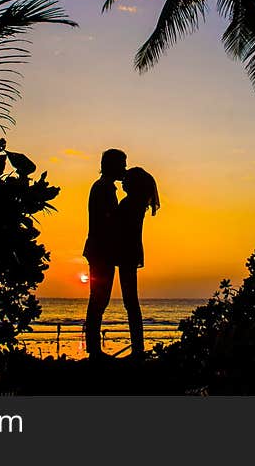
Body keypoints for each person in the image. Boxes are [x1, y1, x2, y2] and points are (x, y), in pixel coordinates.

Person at [83, 149, 127, 359]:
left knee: (99, 299)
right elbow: (107, 221)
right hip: (101, 251)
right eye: (122, 164)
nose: (125, 168)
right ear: (112, 165)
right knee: (98, 299)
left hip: (101, 250)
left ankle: (93, 349)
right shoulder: (103, 189)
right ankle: (93, 350)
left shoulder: (105, 187)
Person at [112, 166, 160, 359]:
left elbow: (118, 224)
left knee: (130, 300)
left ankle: (138, 348)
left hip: (127, 252)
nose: (123, 181)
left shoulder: (131, 203)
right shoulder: (137, 203)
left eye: (127, 179)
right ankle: (137, 346)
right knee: (131, 300)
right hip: (129, 252)